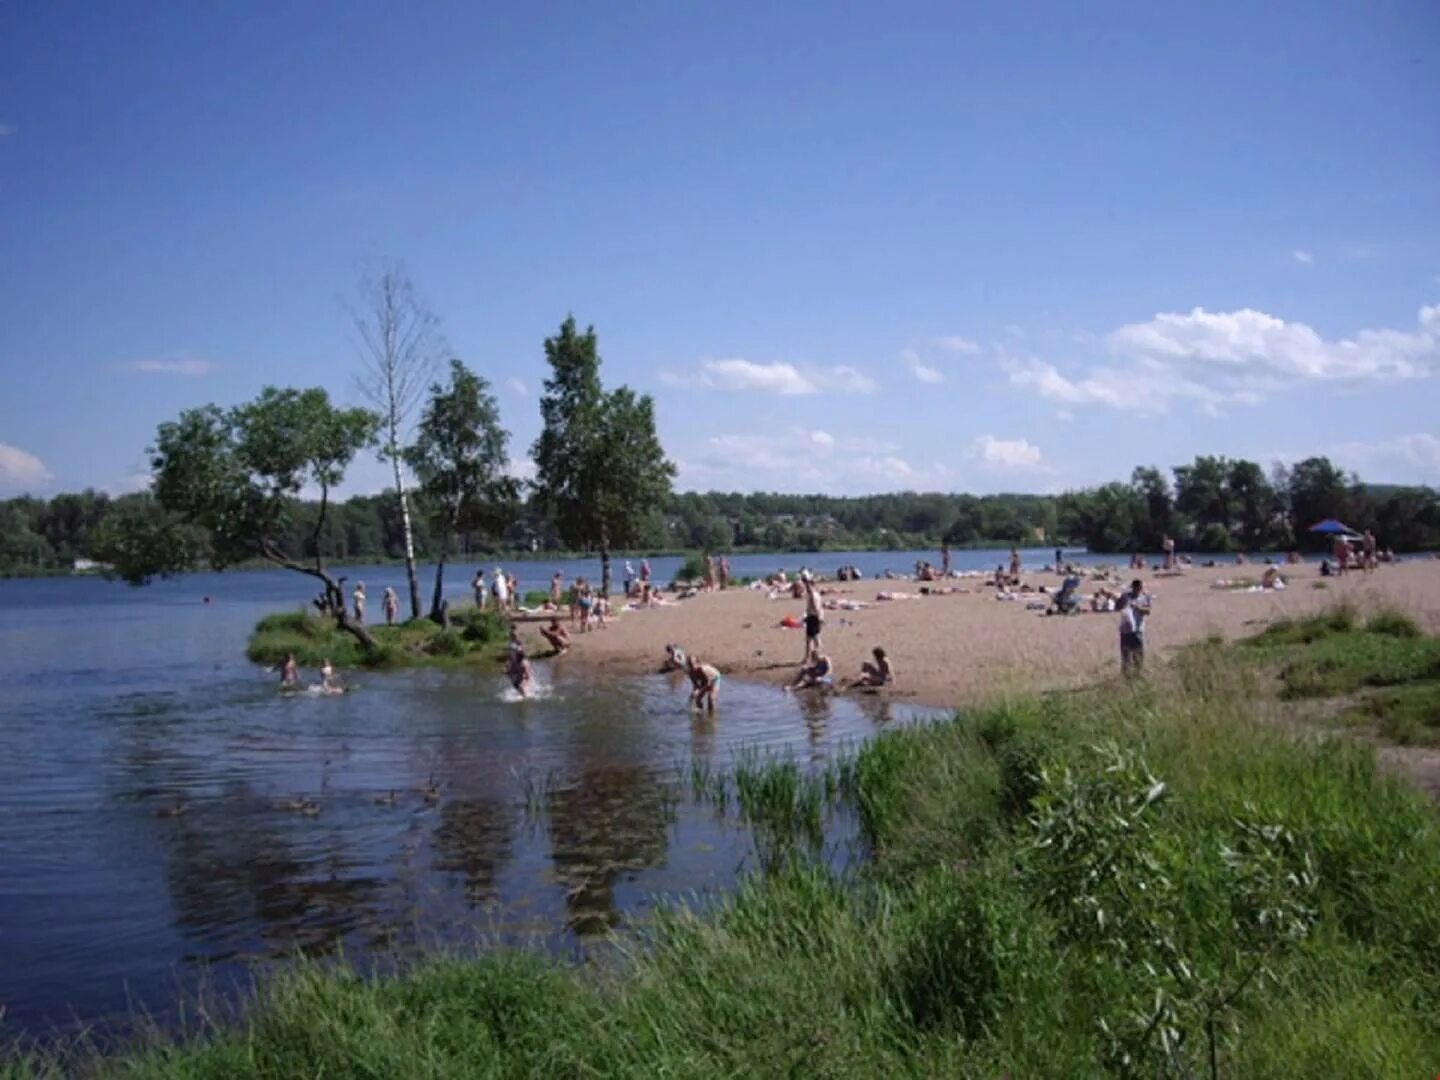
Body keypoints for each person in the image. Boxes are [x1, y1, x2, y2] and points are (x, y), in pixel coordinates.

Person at [1117, 579, 1151, 678]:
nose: (1137, 590)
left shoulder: (1145, 597)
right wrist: (1120, 601)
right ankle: (1125, 676)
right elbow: (1117, 607)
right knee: (1125, 655)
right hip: (1125, 630)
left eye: (1139, 588)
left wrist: (1138, 607)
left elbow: (1148, 611)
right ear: (1133, 587)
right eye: (1135, 588)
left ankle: (1138, 674)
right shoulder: (1126, 596)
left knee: (1138, 654)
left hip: (1138, 629)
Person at [802, 573, 824, 663]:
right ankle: (809, 657)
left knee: (813, 639)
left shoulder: (813, 595)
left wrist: (818, 617)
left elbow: (815, 607)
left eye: (808, 586)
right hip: (813, 617)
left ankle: (815, 656)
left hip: (814, 617)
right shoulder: (815, 594)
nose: (807, 588)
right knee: (811, 639)